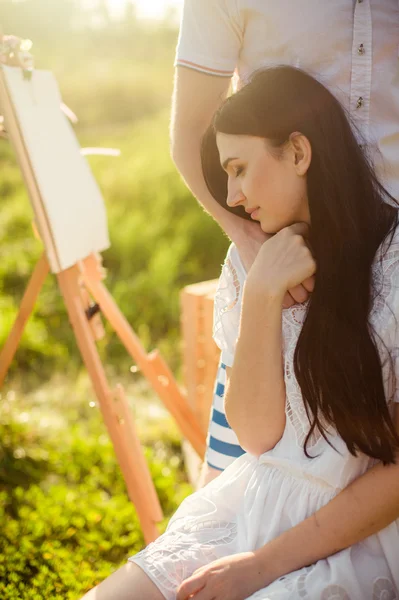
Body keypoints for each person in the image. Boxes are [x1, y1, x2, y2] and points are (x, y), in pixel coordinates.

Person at [81, 65, 399, 599]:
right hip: (254, 502)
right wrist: (261, 296)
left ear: (298, 152)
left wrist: (259, 567)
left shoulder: (392, 264)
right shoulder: (250, 259)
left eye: (239, 168)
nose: (231, 196)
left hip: (363, 534)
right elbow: (256, 437)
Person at [172, 0, 399, 484]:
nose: (233, 193)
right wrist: (252, 248)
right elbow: (191, 132)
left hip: (390, 259)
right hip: (286, 262)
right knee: (253, 480)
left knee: (369, 473)